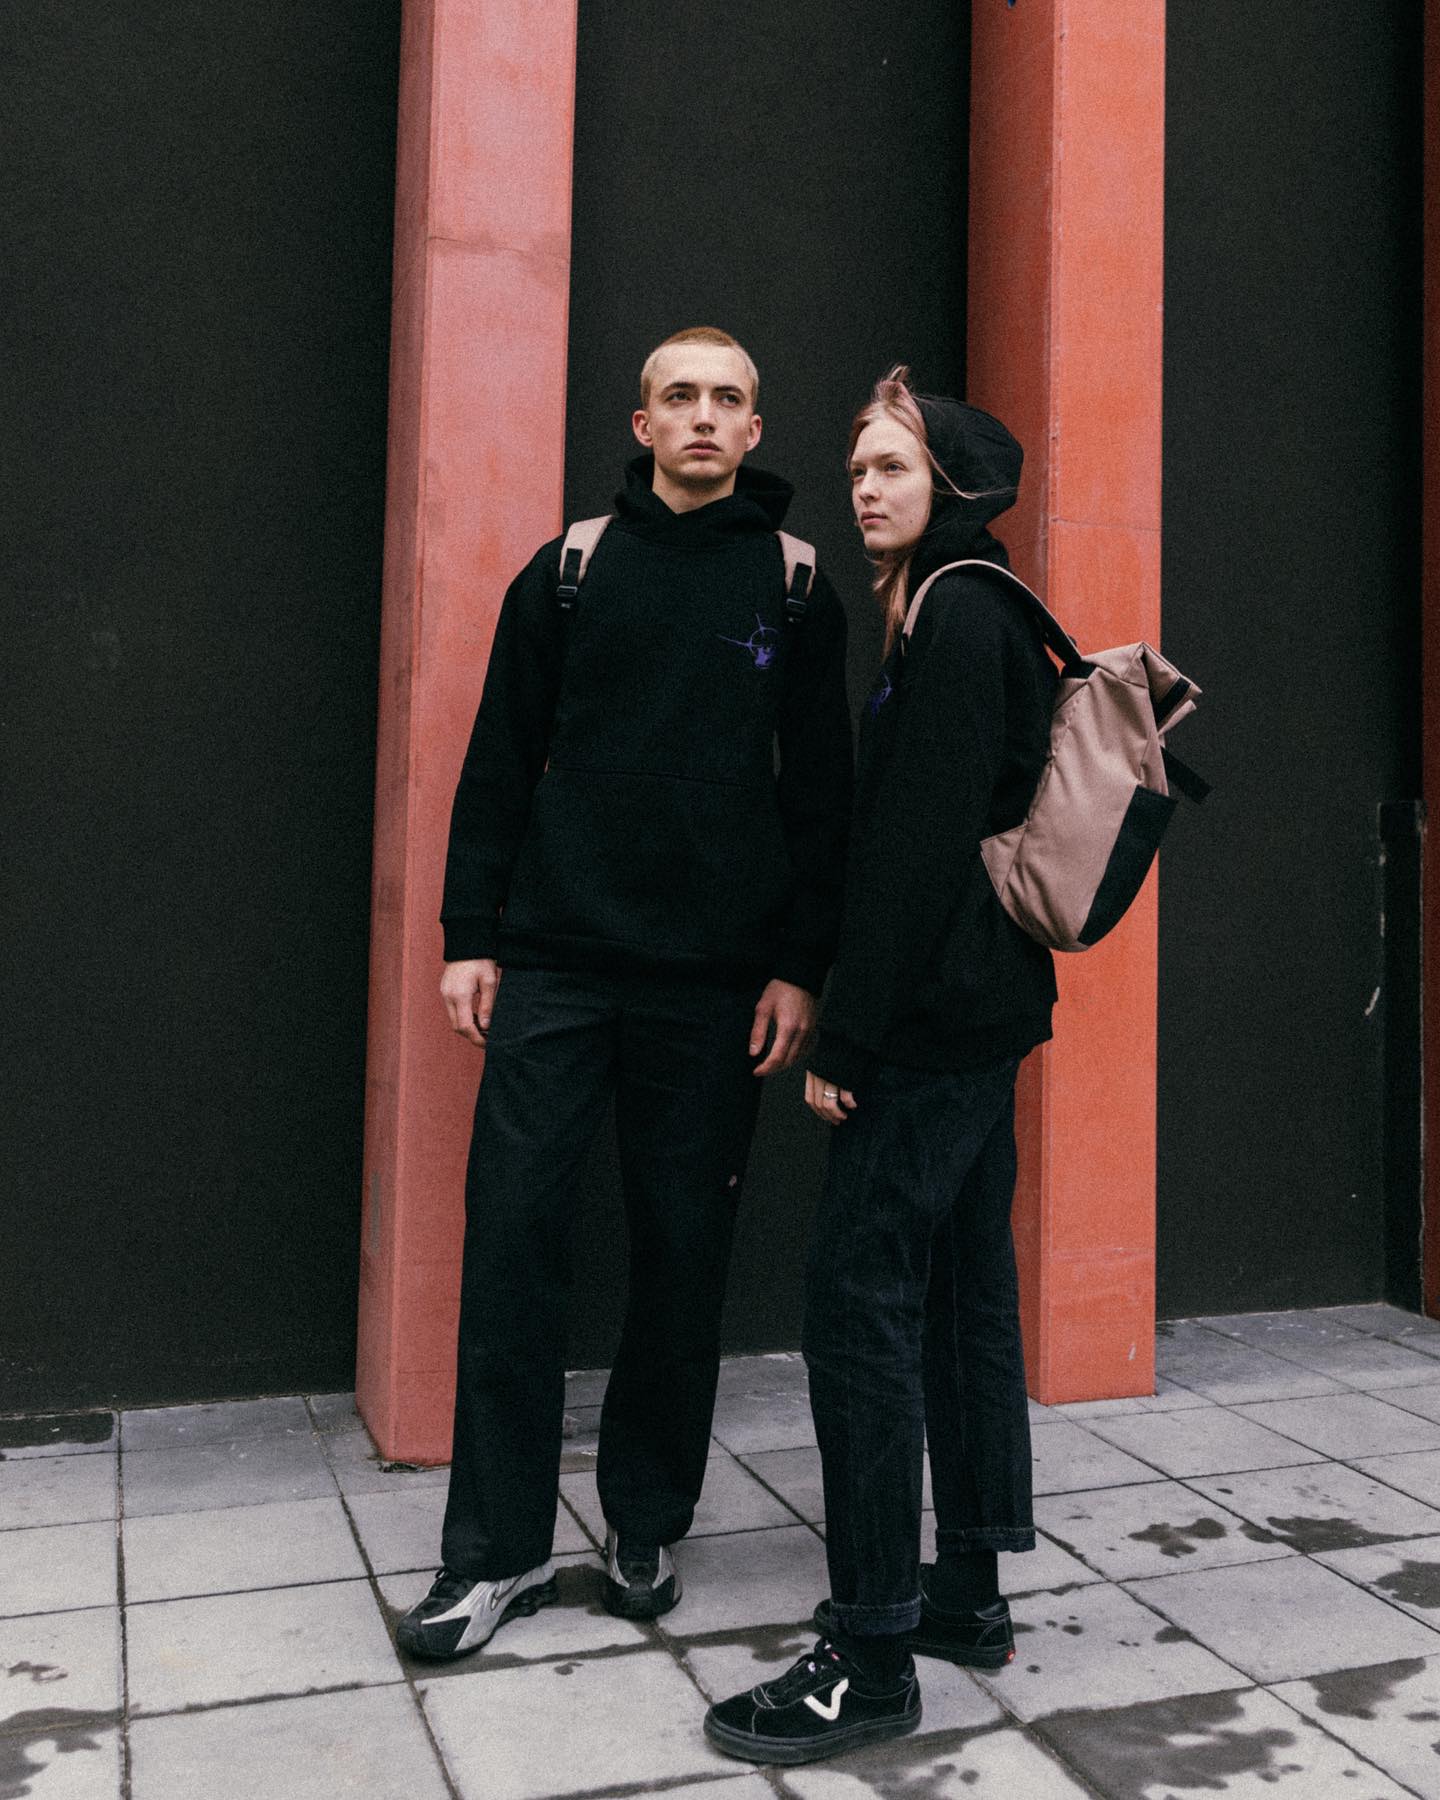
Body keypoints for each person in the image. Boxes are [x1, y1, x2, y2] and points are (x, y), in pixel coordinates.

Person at [396, 327, 853, 1662]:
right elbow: (498, 758)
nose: (704, 416)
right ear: (643, 424)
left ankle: (646, 1521)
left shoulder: (797, 586)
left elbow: (823, 798)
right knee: (512, 1244)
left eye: (728, 399)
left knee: (681, 1255)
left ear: (754, 431)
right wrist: (469, 935)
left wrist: (799, 966)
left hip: (712, 987)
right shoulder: (569, 571)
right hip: (555, 965)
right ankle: (495, 1555)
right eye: (680, 397)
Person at [705, 367, 1057, 1765]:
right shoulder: (960, 604)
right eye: (856, 468)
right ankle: (962, 1592)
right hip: (975, 1011)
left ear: (952, 485)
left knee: (858, 1300)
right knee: (961, 1290)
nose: (864, 488)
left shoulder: (958, 614)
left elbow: (913, 846)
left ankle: (868, 1657)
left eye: (892, 467)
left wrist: (847, 1035)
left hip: (929, 1023)